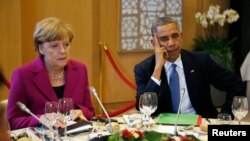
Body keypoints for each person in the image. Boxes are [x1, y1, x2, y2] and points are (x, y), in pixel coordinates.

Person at [134, 16, 246, 118]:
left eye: (175, 36)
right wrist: (158, 68)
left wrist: (224, 116)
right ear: (154, 43)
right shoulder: (144, 68)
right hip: (163, 128)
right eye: (164, 39)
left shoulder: (201, 61)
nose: (171, 43)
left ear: (181, 36)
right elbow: (143, 107)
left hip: (201, 125)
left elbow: (236, 85)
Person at [7, 17, 95, 130]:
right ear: (41, 48)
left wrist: (80, 112)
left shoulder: (80, 69)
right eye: (54, 46)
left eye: (66, 44)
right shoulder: (22, 75)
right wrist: (40, 119)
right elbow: (13, 121)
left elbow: (90, 110)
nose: (63, 51)